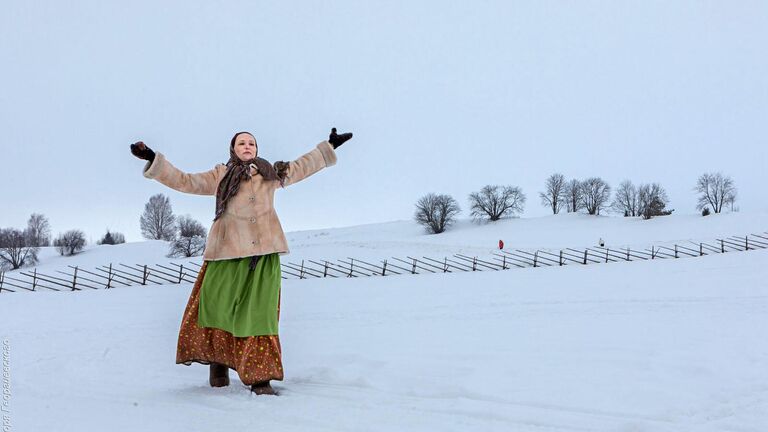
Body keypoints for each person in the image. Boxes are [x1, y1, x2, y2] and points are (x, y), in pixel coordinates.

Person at [130, 128, 353, 395]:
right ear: (232, 148)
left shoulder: (272, 173)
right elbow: (185, 181)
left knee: (260, 314)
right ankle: (218, 361)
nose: (247, 146)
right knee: (216, 308)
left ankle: (260, 377)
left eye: (251, 143)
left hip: (263, 254)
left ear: (257, 149)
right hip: (225, 253)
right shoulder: (220, 175)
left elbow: (303, 166)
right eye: (241, 143)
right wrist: (153, 158)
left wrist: (329, 146)